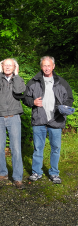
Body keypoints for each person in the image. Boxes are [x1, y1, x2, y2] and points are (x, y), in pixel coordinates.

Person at [23, 56, 74, 184]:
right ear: (41, 67)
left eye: (49, 65)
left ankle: (54, 173)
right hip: (39, 119)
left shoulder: (62, 82)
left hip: (56, 119)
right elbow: (25, 98)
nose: (46, 68)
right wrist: (32, 102)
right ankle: (36, 172)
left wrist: (65, 107)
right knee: (38, 148)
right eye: (44, 65)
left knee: (55, 148)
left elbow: (69, 98)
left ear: (53, 66)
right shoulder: (33, 81)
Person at [0, 58, 26, 189]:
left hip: (14, 116)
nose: (7, 67)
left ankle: (17, 178)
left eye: (10, 65)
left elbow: (19, 91)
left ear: (14, 67)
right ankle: (3, 173)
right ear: (1, 66)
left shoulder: (18, 79)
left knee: (16, 148)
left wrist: (16, 75)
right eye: (5, 65)